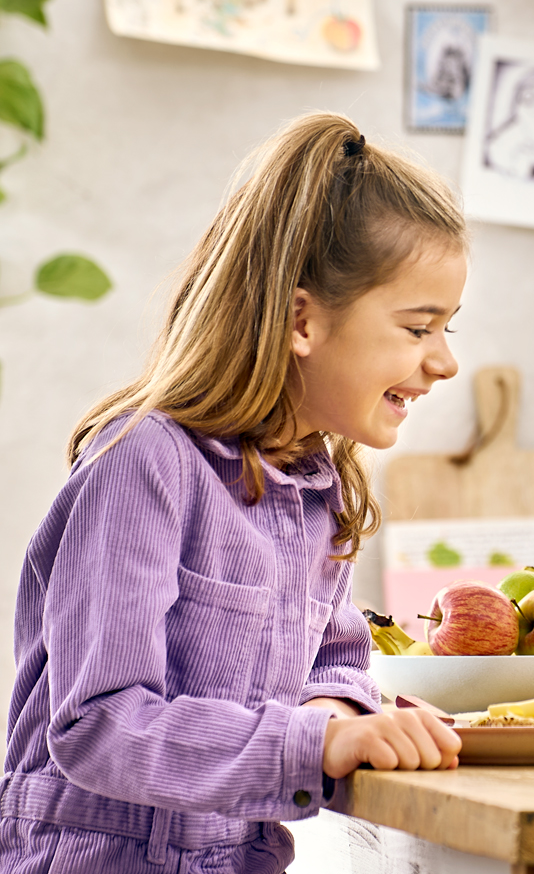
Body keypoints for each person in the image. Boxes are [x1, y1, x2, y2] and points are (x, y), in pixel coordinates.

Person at [1, 112, 467, 872]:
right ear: (301, 321)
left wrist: (338, 719)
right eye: (419, 328)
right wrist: (316, 744)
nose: (445, 362)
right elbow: (97, 725)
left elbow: (335, 664)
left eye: (450, 327)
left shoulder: (322, 489)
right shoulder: (143, 463)